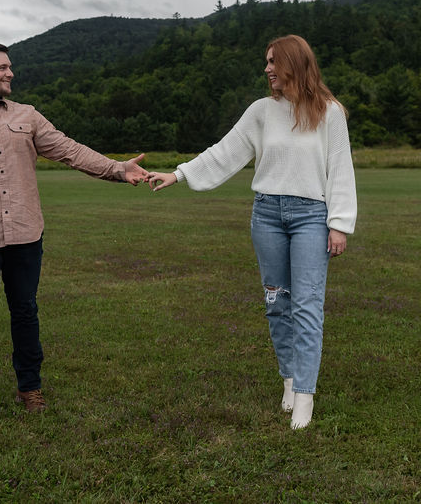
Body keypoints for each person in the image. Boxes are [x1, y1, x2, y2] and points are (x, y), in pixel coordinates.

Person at [0, 42, 150, 432]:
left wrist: (117, 168)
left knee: (25, 311)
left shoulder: (28, 117)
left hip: (25, 234)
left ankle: (30, 388)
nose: (11, 73)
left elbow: (69, 150)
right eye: (3, 67)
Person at [148, 34, 356, 430]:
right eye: (266, 62)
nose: (267, 69)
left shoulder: (330, 113)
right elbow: (224, 152)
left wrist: (339, 224)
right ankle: (290, 380)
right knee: (277, 302)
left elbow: (340, 168)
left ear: (294, 63)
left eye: (273, 61)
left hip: (312, 215)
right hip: (267, 215)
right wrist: (178, 174)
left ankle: (305, 397)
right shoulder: (261, 111)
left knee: (307, 305)